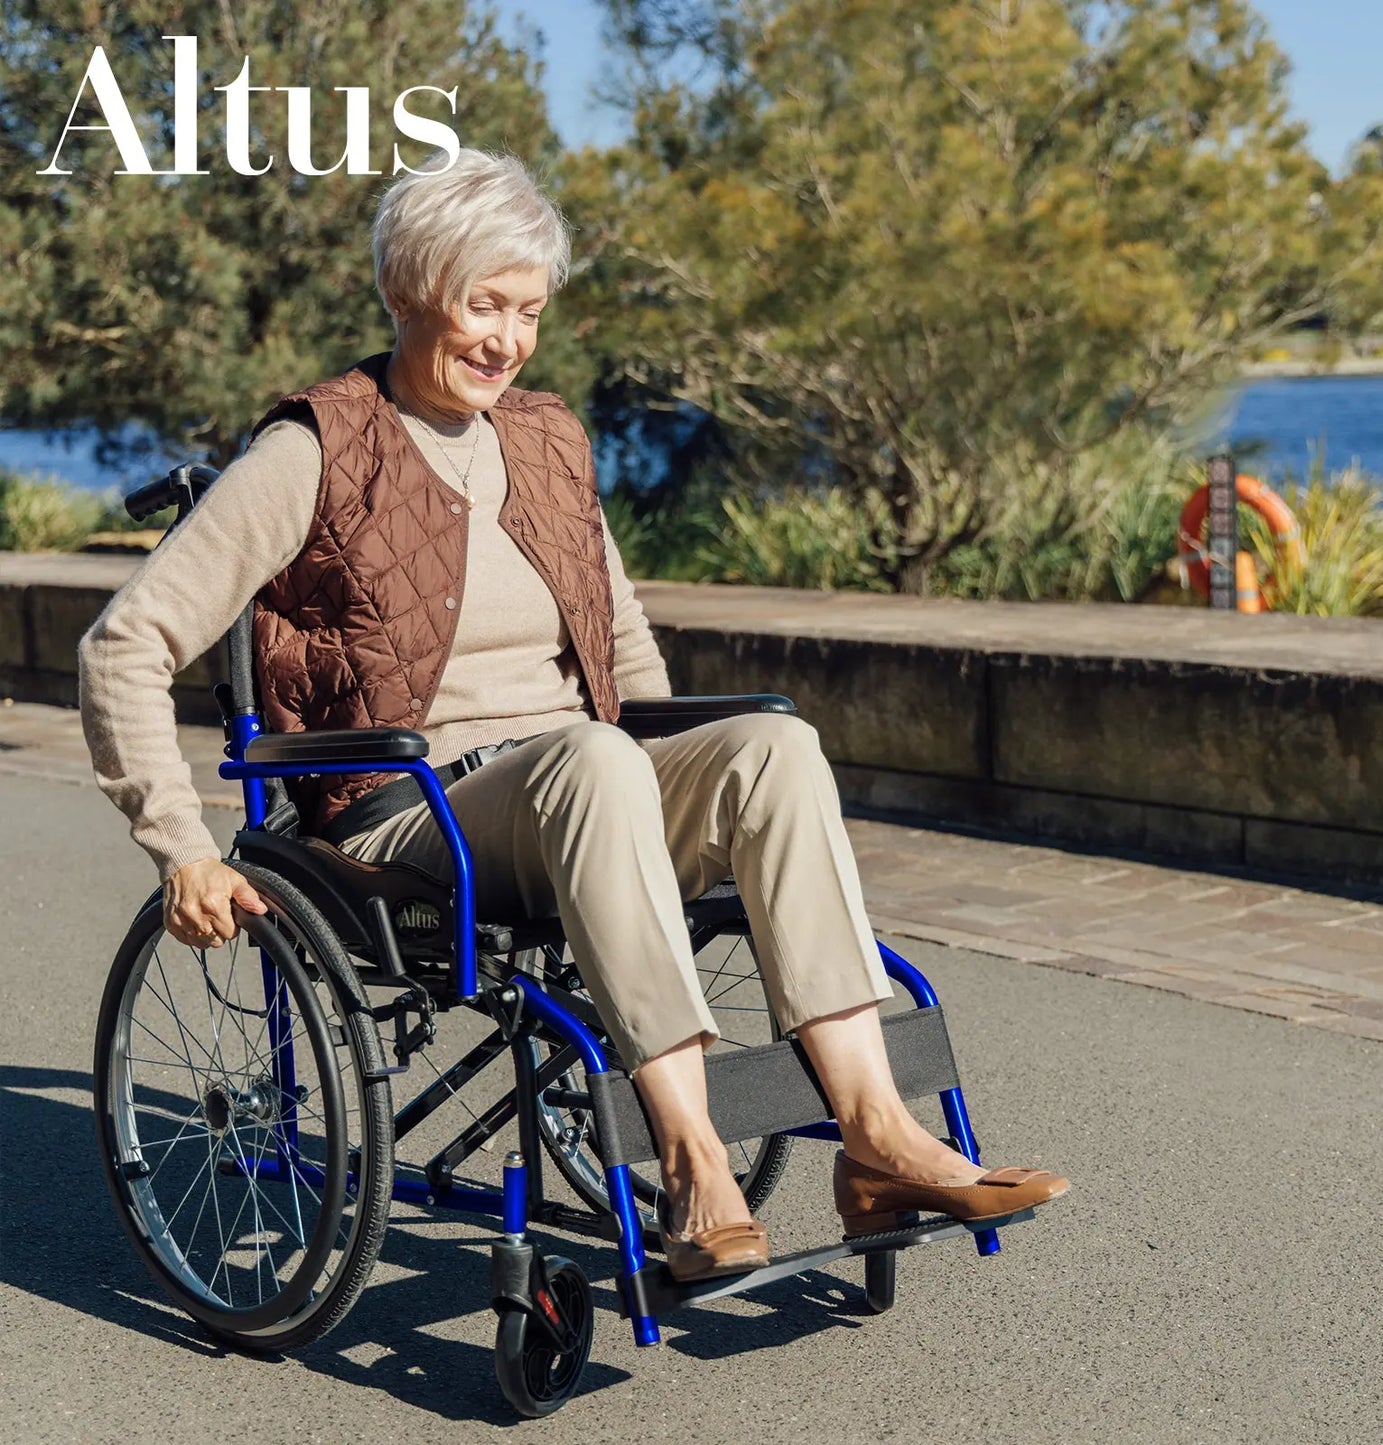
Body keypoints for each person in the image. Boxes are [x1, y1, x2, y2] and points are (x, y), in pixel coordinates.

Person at [79, 148, 1068, 1283]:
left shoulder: (544, 441)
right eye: (481, 304)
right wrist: (182, 846)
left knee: (773, 747)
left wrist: (685, 757)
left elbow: (620, 642)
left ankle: (876, 1134)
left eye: (528, 310)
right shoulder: (312, 450)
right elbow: (125, 642)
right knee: (594, 759)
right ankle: (695, 1162)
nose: (506, 338)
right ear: (407, 290)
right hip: (411, 818)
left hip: (579, 783)